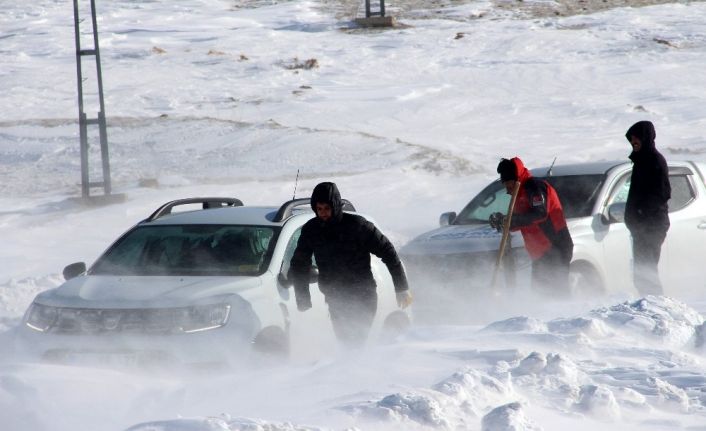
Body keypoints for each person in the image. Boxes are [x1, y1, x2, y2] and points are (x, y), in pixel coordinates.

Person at [289, 182, 412, 347]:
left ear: (335, 205)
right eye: (319, 209)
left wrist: (401, 287)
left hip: (363, 296)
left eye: (327, 208)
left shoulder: (357, 226)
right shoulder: (312, 230)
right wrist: (303, 297)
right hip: (334, 297)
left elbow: (388, 252)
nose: (323, 213)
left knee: (355, 341)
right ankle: (353, 369)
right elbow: (299, 263)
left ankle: (360, 369)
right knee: (345, 343)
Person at [490, 157, 574, 293]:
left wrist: (511, 220)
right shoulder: (519, 193)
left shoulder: (534, 187)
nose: (507, 190)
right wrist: (503, 221)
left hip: (555, 247)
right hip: (539, 253)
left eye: (508, 185)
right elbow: (521, 221)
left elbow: (540, 213)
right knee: (540, 295)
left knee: (556, 294)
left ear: (515, 179)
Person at [624, 120, 670, 296]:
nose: (633, 142)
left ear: (646, 138)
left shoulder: (654, 161)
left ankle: (656, 306)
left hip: (652, 224)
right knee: (641, 271)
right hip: (641, 226)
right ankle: (648, 303)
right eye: (631, 140)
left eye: (637, 139)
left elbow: (663, 192)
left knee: (646, 269)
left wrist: (642, 213)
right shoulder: (641, 161)